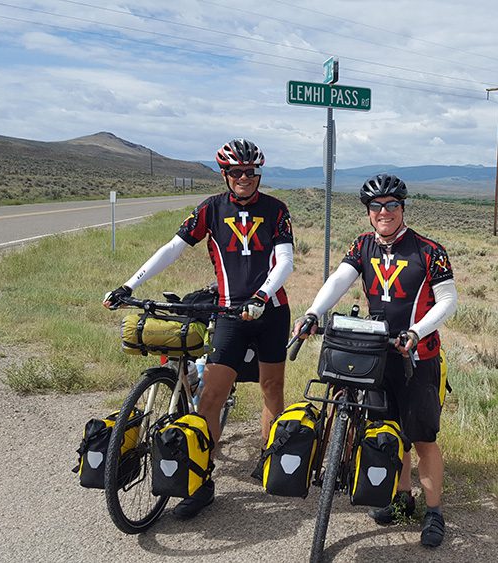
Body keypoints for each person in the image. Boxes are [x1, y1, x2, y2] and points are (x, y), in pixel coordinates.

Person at [103, 138, 294, 519]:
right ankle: (201, 481)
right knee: (211, 396)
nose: (244, 178)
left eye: (250, 172)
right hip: (227, 313)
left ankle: (269, 459)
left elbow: (285, 261)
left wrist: (261, 295)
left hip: (270, 311)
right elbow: (172, 248)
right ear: (225, 174)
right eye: (236, 172)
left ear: (258, 173)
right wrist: (129, 284)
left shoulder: (276, 210)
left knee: (272, 388)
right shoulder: (210, 208)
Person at [293, 174, 458, 548]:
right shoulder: (363, 245)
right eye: (376, 207)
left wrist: (416, 331)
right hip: (376, 356)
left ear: (403, 208)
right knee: (388, 432)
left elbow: (448, 301)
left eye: (392, 205)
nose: (384, 212)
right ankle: (402, 500)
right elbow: (339, 280)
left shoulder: (429, 250)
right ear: (369, 213)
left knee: (422, 438)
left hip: (418, 357)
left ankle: (433, 512)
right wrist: (314, 312)